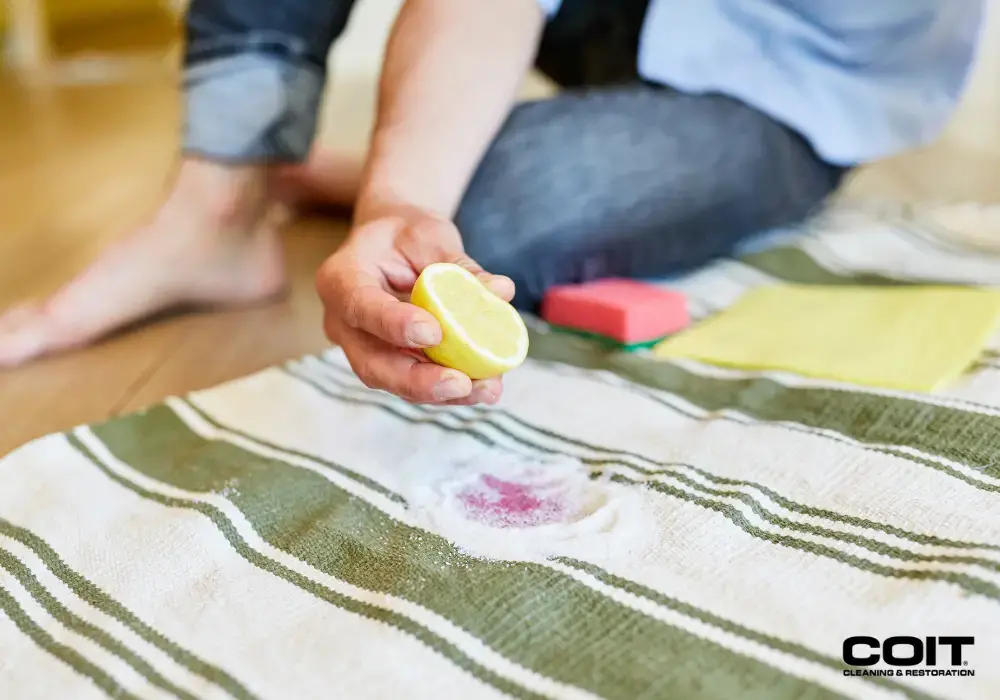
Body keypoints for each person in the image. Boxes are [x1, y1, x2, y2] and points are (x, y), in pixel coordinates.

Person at [0, 0, 984, 406]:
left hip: (791, 79)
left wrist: (404, 192)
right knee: (442, 214)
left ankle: (354, 168)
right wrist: (401, 198)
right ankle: (210, 210)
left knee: (503, 220)